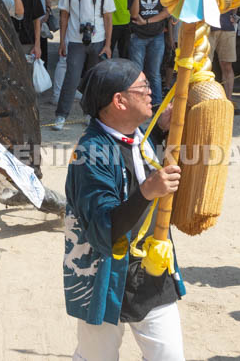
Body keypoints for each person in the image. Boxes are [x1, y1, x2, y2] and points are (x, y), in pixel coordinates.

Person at [64, 59, 185, 361]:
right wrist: (148, 192)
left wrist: (158, 131)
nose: (150, 92)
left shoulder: (135, 134)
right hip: (104, 275)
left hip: (151, 270)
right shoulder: (89, 153)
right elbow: (104, 226)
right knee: (97, 357)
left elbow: (133, 165)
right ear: (119, 101)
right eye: (142, 87)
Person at [52, 0, 116, 131]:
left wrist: (108, 45)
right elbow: (63, 16)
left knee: (94, 78)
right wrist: (62, 41)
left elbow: (108, 18)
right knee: (71, 77)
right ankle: (61, 115)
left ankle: (90, 113)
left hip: (98, 39)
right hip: (75, 38)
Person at [128, 0, 170, 108]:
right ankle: (137, 104)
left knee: (154, 72)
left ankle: (157, 104)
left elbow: (166, 12)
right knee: (137, 73)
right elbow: (133, 14)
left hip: (157, 35)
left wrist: (146, 21)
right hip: (137, 36)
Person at [213, 10, 240, 115]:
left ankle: (228, 102)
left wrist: (234, 15)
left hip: (227, 25)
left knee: (227, 65)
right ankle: (205, 100)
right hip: (207, 25)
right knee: (204, 65)